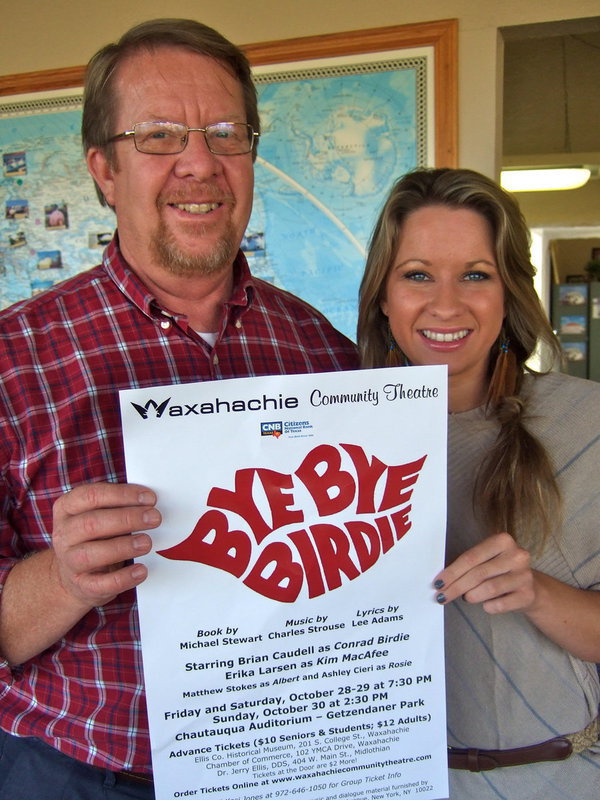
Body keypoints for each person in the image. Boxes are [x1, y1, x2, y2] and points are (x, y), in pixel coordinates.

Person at [0, 18, 358, 799]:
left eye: (226, 134)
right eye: (159, 135)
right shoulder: (10, 358)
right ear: (103, 168)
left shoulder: (323, 351)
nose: (200, 162)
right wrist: (63, 578)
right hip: (79, 776)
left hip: (292, 766)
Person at [357, 167, 600, 799]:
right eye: (417, 275)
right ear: (383, 295)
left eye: (475, 274)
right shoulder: (331, 438)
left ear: (509, 291)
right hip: (384, 782)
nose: (446, 303)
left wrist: (536, 592)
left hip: (559, 780)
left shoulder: (587, 423)